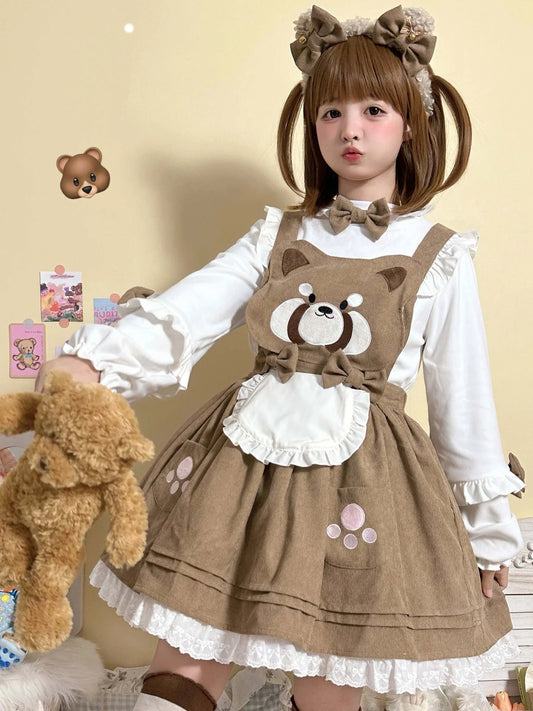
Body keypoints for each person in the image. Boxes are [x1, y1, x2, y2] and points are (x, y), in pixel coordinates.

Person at [36, 6, 526, 711]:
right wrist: (97, 364)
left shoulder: (441, 256)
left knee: (326, 683)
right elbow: (192, 307)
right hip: (241, 481)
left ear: (412, 124)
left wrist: (487, 535)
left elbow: (463, 403)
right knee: (184, 664)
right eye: (330, 111)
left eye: (373, 110)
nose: (350, 129)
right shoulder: (277, 233)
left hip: (361, 494)